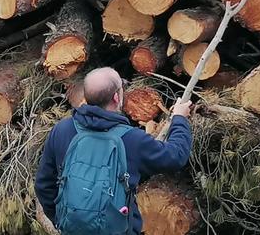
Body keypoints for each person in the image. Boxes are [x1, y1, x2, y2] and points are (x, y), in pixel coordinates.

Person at [34, 67, 193, 234]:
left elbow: (44, 185)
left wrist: (61, 220)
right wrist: (180, 118)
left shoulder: (63, 129)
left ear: (86, 97)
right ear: (117, 97)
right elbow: (176, 156)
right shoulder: (132, 139)